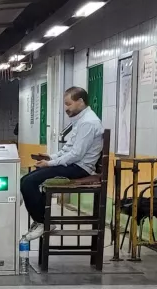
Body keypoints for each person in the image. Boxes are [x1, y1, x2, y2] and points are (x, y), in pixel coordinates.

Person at [20, 87, 104, 241]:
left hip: (79, 168)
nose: (66, 108)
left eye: (68, 104)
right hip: (73, 164)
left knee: (29, 182)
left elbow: (76, 155)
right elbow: (68, 148)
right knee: (26, 179)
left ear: (80, 102)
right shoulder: (80, 121)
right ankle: (42, 219)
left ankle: (42, 222)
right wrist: (51, 157)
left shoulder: (88, 123)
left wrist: (51, 163)